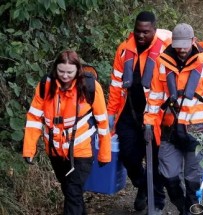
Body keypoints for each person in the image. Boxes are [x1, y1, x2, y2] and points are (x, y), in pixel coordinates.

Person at [143, 23, 203, 215]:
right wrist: (148, 123)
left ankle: (191, 210)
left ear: (193, 41)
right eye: (178, 45)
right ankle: (184, 208)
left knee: (193, 179)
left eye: (185, 44)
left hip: (198, 130)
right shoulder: (163, 63)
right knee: (168, 175)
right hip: (170, 129)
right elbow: (154, 97)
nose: (181, 49)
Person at [23, 50, 111, 215]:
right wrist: (29, 149)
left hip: (81, 152)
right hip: (55, 151)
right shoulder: (45, 86)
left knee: (72, 192)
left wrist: (104, 153)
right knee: (72, 193)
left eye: (69, 72)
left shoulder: (90, 87)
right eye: (61, 71)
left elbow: (102, 122)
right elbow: (34, 118)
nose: (64, 76)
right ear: (55, 68)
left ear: (78, 70)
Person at [107, 11, 171, 214]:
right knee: (128, 156)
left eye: (146, 32)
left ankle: (157, 203)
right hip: (130, 112)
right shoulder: (124, 50)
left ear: (154, 30)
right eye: (137, 31)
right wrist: (110, 113)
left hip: (157, 116)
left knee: (155, 161)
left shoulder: (166, 51)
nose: (141, 36)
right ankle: (142, 185)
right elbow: (116, 84)